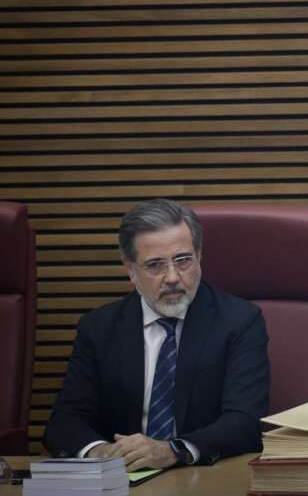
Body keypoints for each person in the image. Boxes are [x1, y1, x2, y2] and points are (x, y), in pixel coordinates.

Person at [43, 198, 269, 470]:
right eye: (155, 265)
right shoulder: (99, 328)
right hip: (123, 477)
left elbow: (245, 422)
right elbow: (65, 421)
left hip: (203, 476)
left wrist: (173, 450)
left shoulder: (239, 321)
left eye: (183, 261)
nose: (172, 277)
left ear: (199, 256)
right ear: (130, 269)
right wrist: (101, 452)